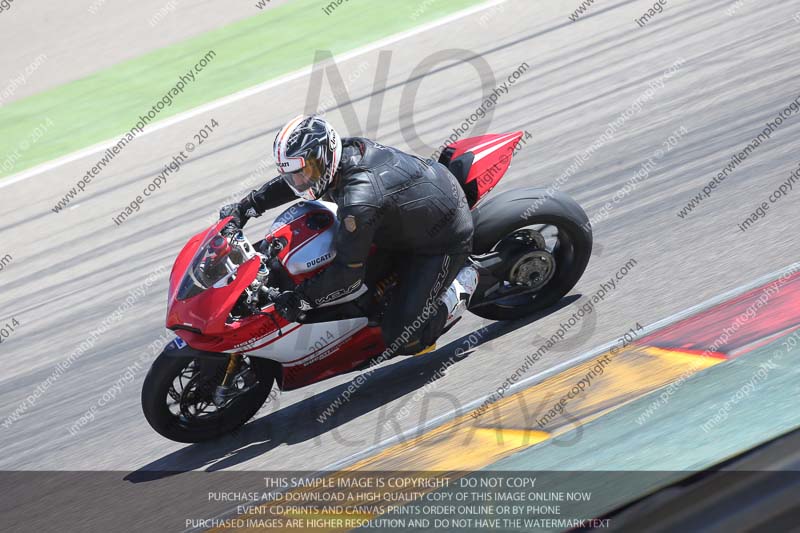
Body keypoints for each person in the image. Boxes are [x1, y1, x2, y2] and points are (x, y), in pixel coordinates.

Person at [219, 115, 477, 355]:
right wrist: (246, 207)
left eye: (303, 173)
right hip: (403, 221)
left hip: (442, 236)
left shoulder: (359, 198)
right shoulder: (336, 158)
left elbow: (348, 276)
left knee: (402, 336)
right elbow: (295, 182)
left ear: (323, 157)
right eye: (293, 175)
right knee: (363, 296)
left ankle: (465, 280)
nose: (299, 182)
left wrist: (300, 300)